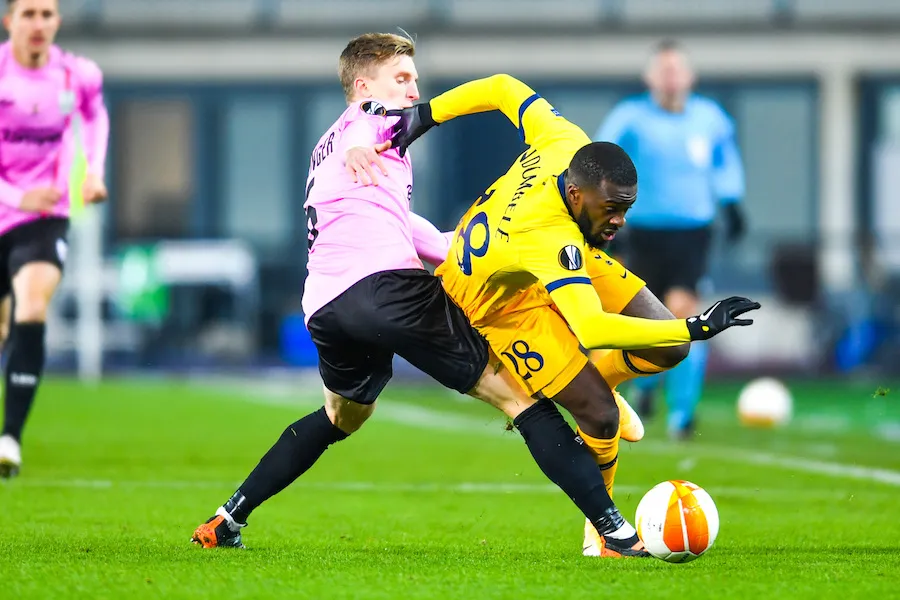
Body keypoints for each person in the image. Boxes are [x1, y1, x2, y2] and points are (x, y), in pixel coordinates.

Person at [191, 33, 677, 557]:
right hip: (388, 290)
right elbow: (369, 125)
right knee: (520, 399)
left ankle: (227, 518)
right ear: (362, 85)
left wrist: (458, 248)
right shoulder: (371, 124)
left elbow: (394, 220)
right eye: (401, 78)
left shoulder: (323, 147)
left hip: (326, 307)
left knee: (341, 417)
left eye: (415, 80)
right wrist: (368, 138)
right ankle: (615, 532)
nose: (412, 90)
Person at [388, 73, 759, 556]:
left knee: (670, 344)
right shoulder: (551, 235)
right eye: (612, 209)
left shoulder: (566, 141)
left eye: (626, 208)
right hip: (496, 306)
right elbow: (590, 326)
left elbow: (503, 86)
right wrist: (698, 323)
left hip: (525, 261)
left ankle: (599, 379)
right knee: (602, 417)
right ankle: (602, 530)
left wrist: (425, 114)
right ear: (578, 196)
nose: (620, 220)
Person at [595, 40, 747, 439]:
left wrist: (731, 202)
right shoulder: (630, 117)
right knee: (642, 318)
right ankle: (645, 384)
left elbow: (724, 160)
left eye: (677, 69)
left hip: (692, 233)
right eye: (663, 70)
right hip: (640, 233)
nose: (670, 77)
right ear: (650, 77)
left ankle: (682, 414)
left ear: (690, 76)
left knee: (683, 314)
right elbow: (598, 156)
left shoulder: (710, 118)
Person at [0, 0, 109, 479]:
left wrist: (95, 173)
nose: (39, 24)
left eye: (47, 14)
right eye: (29, 14)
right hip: (11, 203)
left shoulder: (76, 74)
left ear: (58, 20)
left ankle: (10, 438)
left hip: (45, 215)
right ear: (9, 21)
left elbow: (95, 116)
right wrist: (16, 195)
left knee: (32, 304)